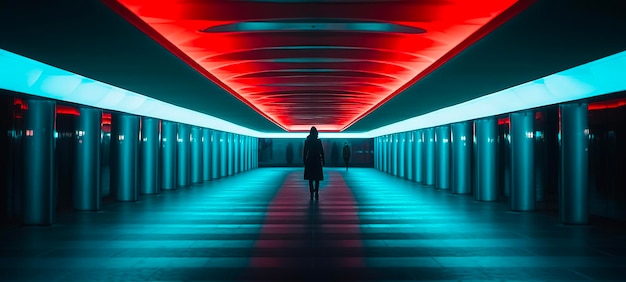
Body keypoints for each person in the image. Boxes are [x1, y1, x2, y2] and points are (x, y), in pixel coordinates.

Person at [303, 126, 325, 200]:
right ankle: (316, 192)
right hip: (317, 160)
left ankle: (311, 192)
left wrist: (304, 160)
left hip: (309, 160)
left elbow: (305, 151)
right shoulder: (318, 141)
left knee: (310, 178)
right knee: (317, 178)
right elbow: (321, 151)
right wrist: (323, 160)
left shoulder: (307, 141)